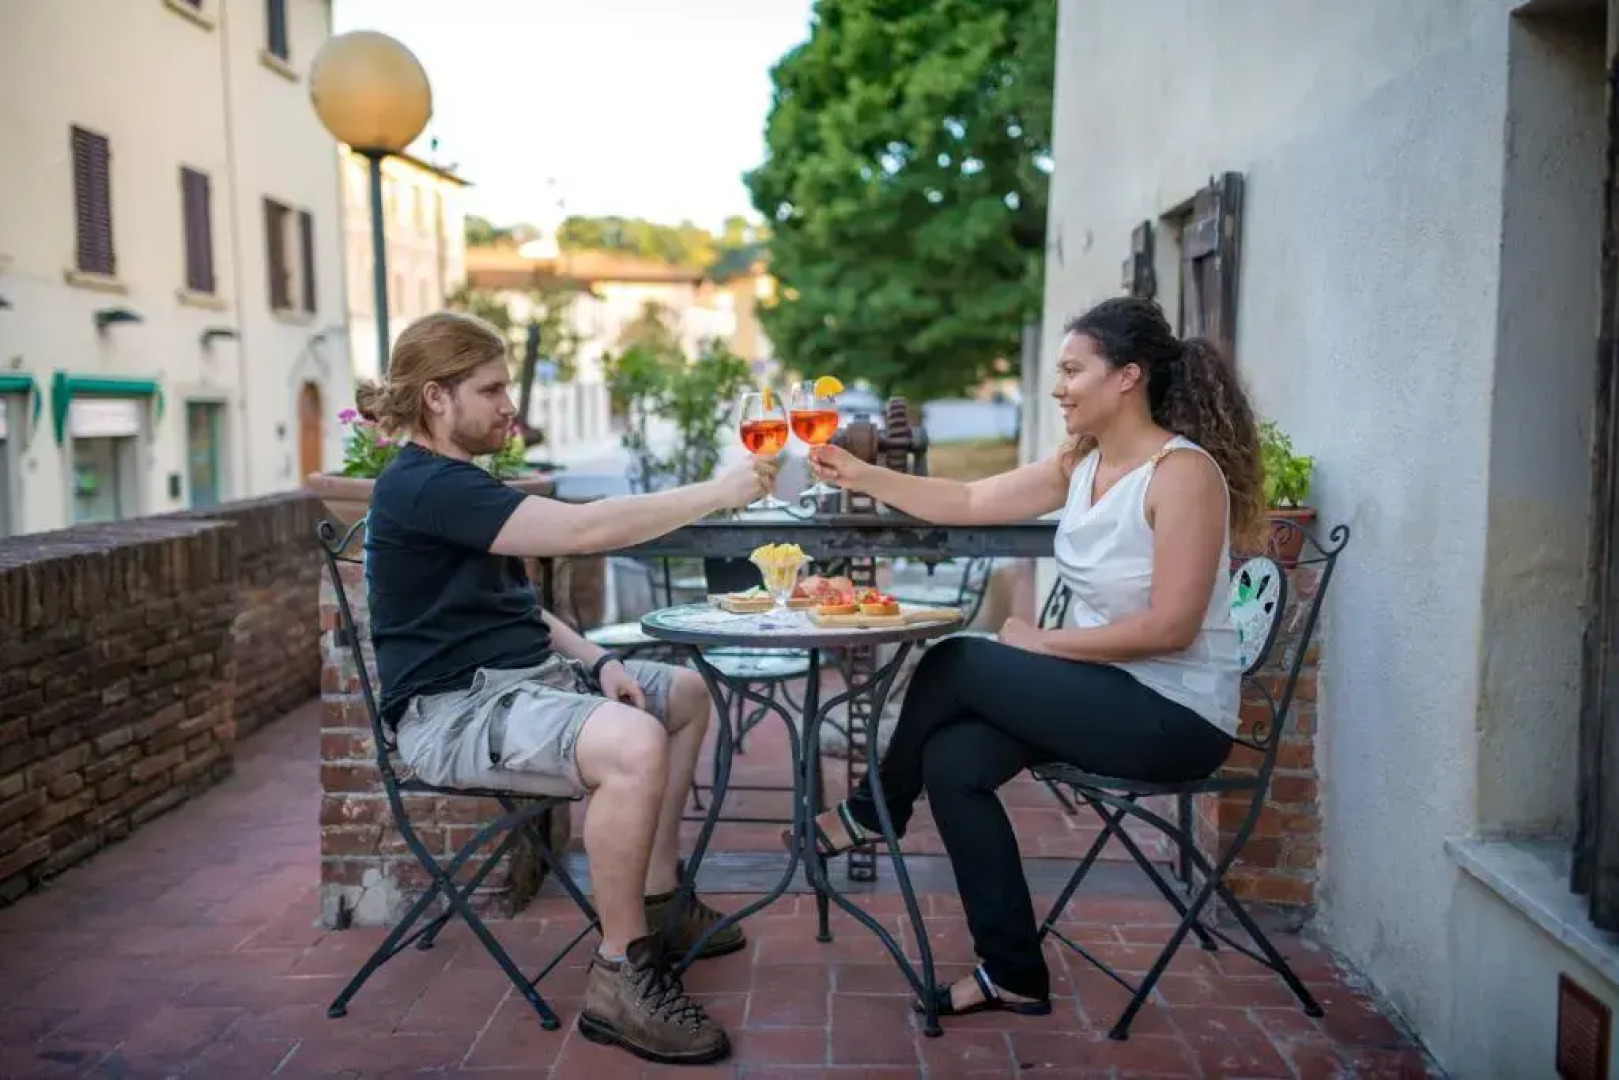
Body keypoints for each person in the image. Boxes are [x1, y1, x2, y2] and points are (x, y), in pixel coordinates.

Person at [802, 296, 1264, 1019]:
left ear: (1126, 378)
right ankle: (1012, 970)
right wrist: (860, 477)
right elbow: (968, 496)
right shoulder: (1080, 464)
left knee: (956, 661)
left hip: (1173, 717)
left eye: (1072, 370)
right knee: (953, 763)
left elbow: (1171, 627)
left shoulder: (1182, 474)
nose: (1058, 386)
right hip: (1100, 691)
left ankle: (871, 809)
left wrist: (1042, 642)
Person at [359, 311, 778, 1067]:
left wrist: (595, 660)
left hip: (524, 681)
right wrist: (718, 492)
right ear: (435, 399)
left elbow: (517, 607)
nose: (509, 408)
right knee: (631, 743)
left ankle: (658, 900)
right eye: (490, 391)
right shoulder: (424, 485)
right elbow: (584, 532)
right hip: (454, 712)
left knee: (678, 695)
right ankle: (621, 973)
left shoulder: (460, 482)